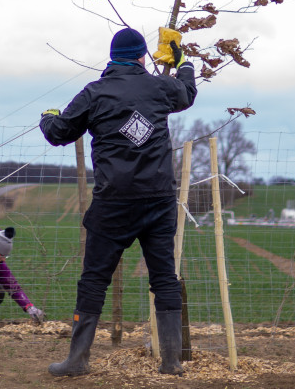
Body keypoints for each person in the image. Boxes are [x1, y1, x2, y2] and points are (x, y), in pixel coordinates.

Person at [39, 27, 197, 376]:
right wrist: (182, 61)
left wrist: (48, 116)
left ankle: (77, 360)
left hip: (113, 202)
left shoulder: (94, 93)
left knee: (94, 279)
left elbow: (59, 133)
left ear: (112, 58)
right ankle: (171, 362)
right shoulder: (160, 87)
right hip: (158, 200)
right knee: (164, 278)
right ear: (142, 56)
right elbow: (187, 92)